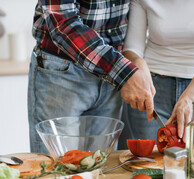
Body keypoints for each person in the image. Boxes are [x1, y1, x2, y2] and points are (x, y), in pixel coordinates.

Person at [28, 0, 155, 153]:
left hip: (112, 76)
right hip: (64, 72)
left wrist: (134, 61)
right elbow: (63, 24)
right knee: (57, 168)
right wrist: (124, 72)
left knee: (101, 167)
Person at [119, 0, 194, 147]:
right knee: (151, 166)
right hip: (153, 91)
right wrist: (137, 61)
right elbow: (132, 48)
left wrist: (190, 98)